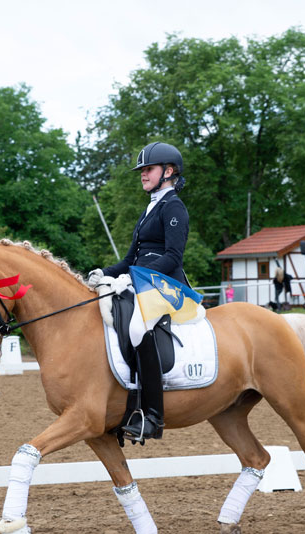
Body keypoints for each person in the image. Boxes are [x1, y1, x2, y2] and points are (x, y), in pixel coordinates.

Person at [87, 141, 188, 442]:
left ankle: (153, 416)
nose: (143, 174)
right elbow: (131, 257)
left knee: (137, 328)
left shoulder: (174, 208)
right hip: (139, 280)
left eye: (149, 169)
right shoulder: (150, 209)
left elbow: (173, 257)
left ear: (168, 172)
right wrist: (104, 273)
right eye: (142, 170)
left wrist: (135, 279)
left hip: (166, 283)